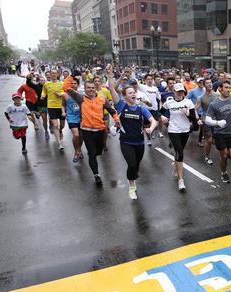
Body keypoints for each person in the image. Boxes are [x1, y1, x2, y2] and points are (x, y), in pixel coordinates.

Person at [107, 66, 158, 199]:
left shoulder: (141, 108)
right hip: (126, 142)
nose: (133, 94)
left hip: (140, 142)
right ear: (124, 96)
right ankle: (131, 186)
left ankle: (133, 176)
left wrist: (150, 129)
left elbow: (153, 121)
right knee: (132, 164)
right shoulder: (121, 105)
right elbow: (111, 88)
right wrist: (111, 77)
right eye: (129, 93)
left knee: (136, 165)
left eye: (133, 92)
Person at [63, 75, 118, 185]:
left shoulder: (102, 99)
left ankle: (97, 151)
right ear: (85, 89)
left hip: (100, 130)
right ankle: (96, 174)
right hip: (86, 130)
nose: (91, 90)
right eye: (88, 88)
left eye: (92, 88)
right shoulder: (80, 98)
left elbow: (112, 111)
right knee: (92, 154)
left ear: (95, 88)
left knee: (98, 152)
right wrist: (72, 75)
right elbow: (65, 87)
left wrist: (117, 121)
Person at [205, 80, 231, 183]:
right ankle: (223, 173)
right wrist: (217, 123)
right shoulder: (214, 104)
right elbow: (207, 119)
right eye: (226, 88)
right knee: (224, 156)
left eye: (229, 88)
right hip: (220, 133)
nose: (228, 90)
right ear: (220, 89)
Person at [162, 83, 195, 191]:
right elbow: (159, 112)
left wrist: (187, 113)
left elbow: (193, 118)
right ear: (174, 92)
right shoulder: (169, 103)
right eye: (178, 91)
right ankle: (181, 181)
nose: (180, 93)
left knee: (180, 151)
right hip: (173, 130)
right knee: (180, 153)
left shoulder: (188, 102)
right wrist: (162, 117)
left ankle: (175, 163)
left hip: (185, 130)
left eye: (182, 91)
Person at [57, 77, 84, 162]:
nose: (73, 85)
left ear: (78, 85)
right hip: (71, 117)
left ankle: (79, 149)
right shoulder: (65, 94)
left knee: (81, 136)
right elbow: (63, 105)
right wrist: (63, 112)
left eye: (75, 83)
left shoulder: (81, 94)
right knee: (76, 135)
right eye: (71, 83)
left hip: (82, 117)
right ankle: (76, 152)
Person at [41, 69, 65, 150]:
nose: (54, 75)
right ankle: (59, 143)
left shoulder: (62, 84)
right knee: (55, 125)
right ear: (50, 75)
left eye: (55, 73)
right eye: (52, 73)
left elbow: (65, 93)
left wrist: (60, 94)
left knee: (62, 125)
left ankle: (60, 130)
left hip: (61, 106)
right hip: (51, 106)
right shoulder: (46, 84)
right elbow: (44, 91)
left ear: (58, 74)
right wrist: (43, 96)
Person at [196, 78, 217, 165]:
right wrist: (198, 119)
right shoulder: (200, 98)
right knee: (209, 140)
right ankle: (207, 157)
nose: (210, 84)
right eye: (207, 83)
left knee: (216, 141)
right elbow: (195, 109)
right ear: (204, 85)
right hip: (206, 120)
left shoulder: (218, 95)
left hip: (216, 121)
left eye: (210, 83)